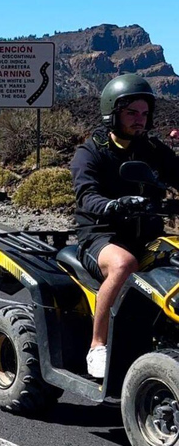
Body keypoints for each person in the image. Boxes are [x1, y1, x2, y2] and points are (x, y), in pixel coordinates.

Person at [71, 73, 179, 378]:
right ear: (112, 112)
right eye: (132, 112)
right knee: (124, 265)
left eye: (144, 114)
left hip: (147, 235)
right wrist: (111, 206)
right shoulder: (90, 152)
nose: (139, 120)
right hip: (101, 237)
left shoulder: (153, 150)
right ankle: (98, 346)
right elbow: (86, 195)